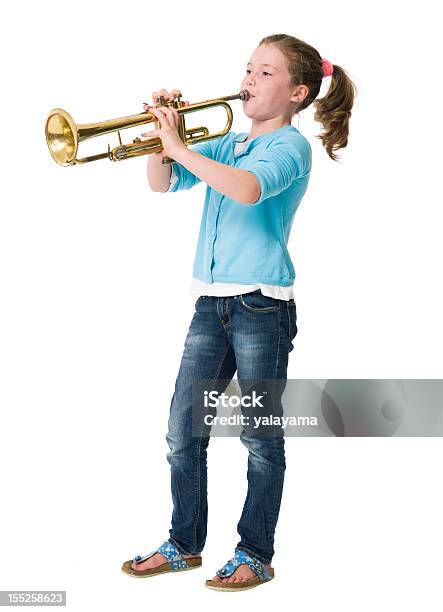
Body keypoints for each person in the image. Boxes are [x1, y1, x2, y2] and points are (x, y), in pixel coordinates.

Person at [121, 33, 357, 591]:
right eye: (249, 68)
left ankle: (256, 553)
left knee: (259, 437)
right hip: (211, 302)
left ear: (298, 93)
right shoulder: (226, 144)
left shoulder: (289, 150)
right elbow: (163, 184)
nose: (249, 79)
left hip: (261, 308)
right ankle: (184, 544)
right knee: (183, 430)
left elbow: (249, 191)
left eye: (266, 73)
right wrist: (162, 140)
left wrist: (181, 148)